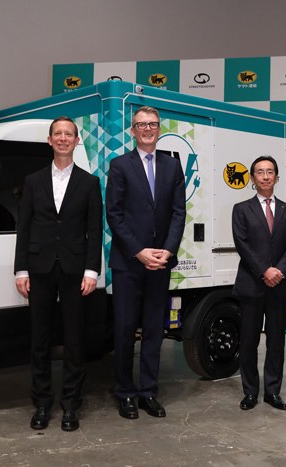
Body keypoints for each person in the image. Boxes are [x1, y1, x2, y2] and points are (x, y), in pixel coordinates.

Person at [14, 117, 103, 431]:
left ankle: (70, 405)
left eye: (69, 134)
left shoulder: (90, 183)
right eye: (58, 134)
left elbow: (94, 230)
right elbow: (24, 228)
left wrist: (92, 270)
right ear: (49, 140)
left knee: (74, 340)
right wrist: (21, 269)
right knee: (39, 340)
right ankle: (41, 403)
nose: (63, 138)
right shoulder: (33, 181)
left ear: (77, 141)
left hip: (75, 269)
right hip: (39, 268)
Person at [105, 106, 186, 419]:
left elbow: (178, 212)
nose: (147, 129)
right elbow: (114, 214)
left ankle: (148, 392)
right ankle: (125, 393)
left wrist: (167, 250)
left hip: (161, 262)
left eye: (152, 124)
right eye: (141, 125)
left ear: (159, 128)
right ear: (133, 130)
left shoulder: (172, 165)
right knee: (125, 330)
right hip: (129, 262)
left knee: (154, 330)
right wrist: (139, 251)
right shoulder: (119, 165)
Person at [232, 156, 286, 411]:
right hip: (252, 283)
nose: (265, 176)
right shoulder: (241, 209)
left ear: (277, 177)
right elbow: (242, 243)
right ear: (252, 178)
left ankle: (273, 392)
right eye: (260, 172)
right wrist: (264, 270)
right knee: (248, 340)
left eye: (270, 172)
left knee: (276, 341)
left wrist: (278, 271)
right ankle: (250, 392)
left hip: (280, 285)